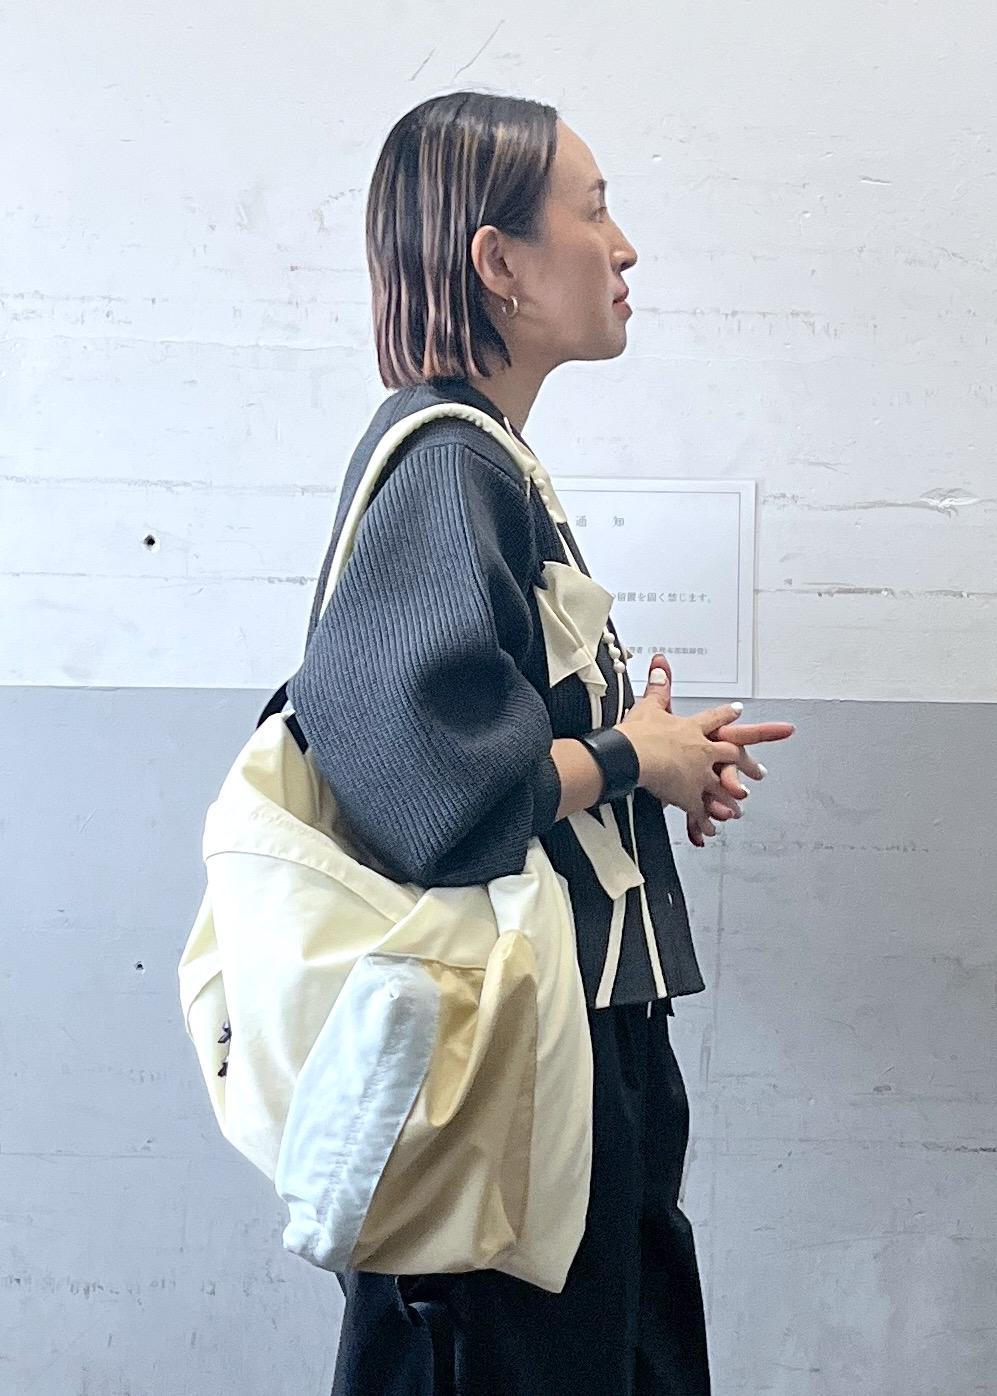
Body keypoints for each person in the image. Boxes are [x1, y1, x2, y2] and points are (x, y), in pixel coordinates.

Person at [288, 90, 794, 1396]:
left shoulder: (488, 459)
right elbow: (432, 791)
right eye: (594, 210)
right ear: (498, 261)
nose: (623, 248)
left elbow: (481, 752)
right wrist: (632, 760)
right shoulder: (444, 465)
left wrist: (648, 751)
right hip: (515, 1075)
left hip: (564, 1051)